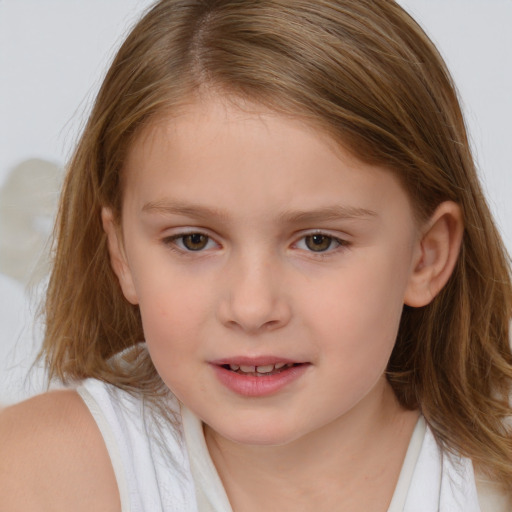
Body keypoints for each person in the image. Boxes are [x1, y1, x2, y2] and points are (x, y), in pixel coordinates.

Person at [1, 0, 511, 510]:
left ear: (426, 256)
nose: (251, 307)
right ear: (123, 253)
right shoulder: (32, 475)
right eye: (193, 240)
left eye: (318, 241)